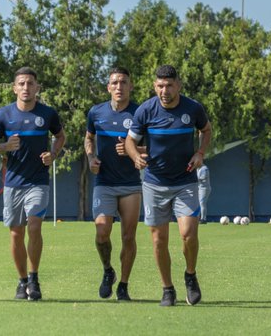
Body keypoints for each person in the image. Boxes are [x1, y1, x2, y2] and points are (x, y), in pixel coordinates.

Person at [125, 65, 212, 307]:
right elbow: (130, 141)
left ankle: (191, 275)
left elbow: (206, 130)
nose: (165, 90)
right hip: (154, 184)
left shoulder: (192, 108)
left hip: (185, 181)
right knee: (158, 240)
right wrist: (135, 157)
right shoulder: (145, 110)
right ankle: (167, 289)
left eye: (169, 85)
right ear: (155, 86)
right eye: (160, 86)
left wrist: (200, 152)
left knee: (188, 234)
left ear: (178, 85)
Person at [0, 67, 65, 301]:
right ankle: (22, 282)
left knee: (34, 226)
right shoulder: (3, 114)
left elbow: (61, 137)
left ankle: (33, 277)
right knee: (15, 234)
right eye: (21, 84)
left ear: (37, 87)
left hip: (38, 182)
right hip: (13, 184)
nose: (26, 88)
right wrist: (4, 146)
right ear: (14, 88)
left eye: (30, 83)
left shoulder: (47, 114)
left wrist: (53, 153)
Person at [85, 67, 145, 301]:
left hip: (130, 184)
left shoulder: (140, 113)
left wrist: (135, 150)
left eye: (124, 82)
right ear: (108, 87)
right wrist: (91, 158)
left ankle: (124, 285)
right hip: (104, 183)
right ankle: (108, 270)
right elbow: (88, 138)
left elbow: (153, 147)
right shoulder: (96, 112)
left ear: (130, 86)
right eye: (115, 83)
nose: (119, 87)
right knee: (102, 232)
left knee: (128, 237)